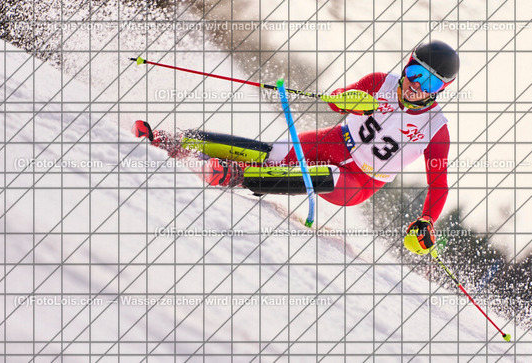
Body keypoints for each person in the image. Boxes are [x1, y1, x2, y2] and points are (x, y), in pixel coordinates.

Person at [133, 40, 458, 255]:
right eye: (415, 73)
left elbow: (438, 183)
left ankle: (236, 176)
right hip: (333, 140)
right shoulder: (380, 83)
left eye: (430, 82)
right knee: (271, 153)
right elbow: (335, 100)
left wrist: (426, 221)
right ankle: (175, 141)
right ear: (407, 65)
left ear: (441, 89)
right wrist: (349, 100)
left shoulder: (435, 129)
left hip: (360, 180)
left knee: (325, 175)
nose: (417, 85)